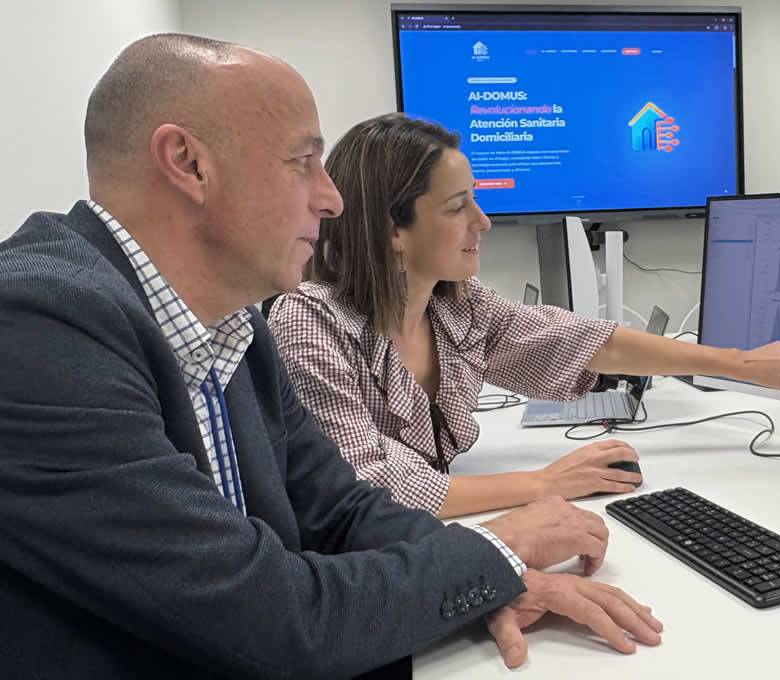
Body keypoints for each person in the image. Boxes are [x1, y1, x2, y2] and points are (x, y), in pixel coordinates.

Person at [0, 34, 660, 677]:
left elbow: (339, 510)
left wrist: (496, 577)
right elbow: (271, 617)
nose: (333, 198)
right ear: (188, 163)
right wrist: (496, 549)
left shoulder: (232, 323)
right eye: (302, 162)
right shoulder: (37, 324)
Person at [268, 112, 780, 518]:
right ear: (393, 229)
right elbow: (367, 487)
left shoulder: (455, 307)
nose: (483, 221)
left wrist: (740, 364)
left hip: (427, 534)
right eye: (457, 206)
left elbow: (590, 343)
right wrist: (544, 483)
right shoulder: (309, 324)